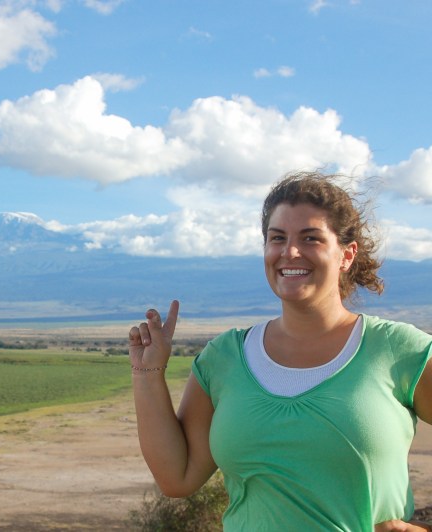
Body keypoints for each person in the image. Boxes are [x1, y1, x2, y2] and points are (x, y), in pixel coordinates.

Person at [128, 171, 432, 531]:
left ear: (347, 254)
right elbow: (177, 478)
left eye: (310, 238)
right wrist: (147, 374)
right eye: (277, 238)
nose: (289, 252)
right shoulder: (224, 358)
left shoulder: (398, 350)